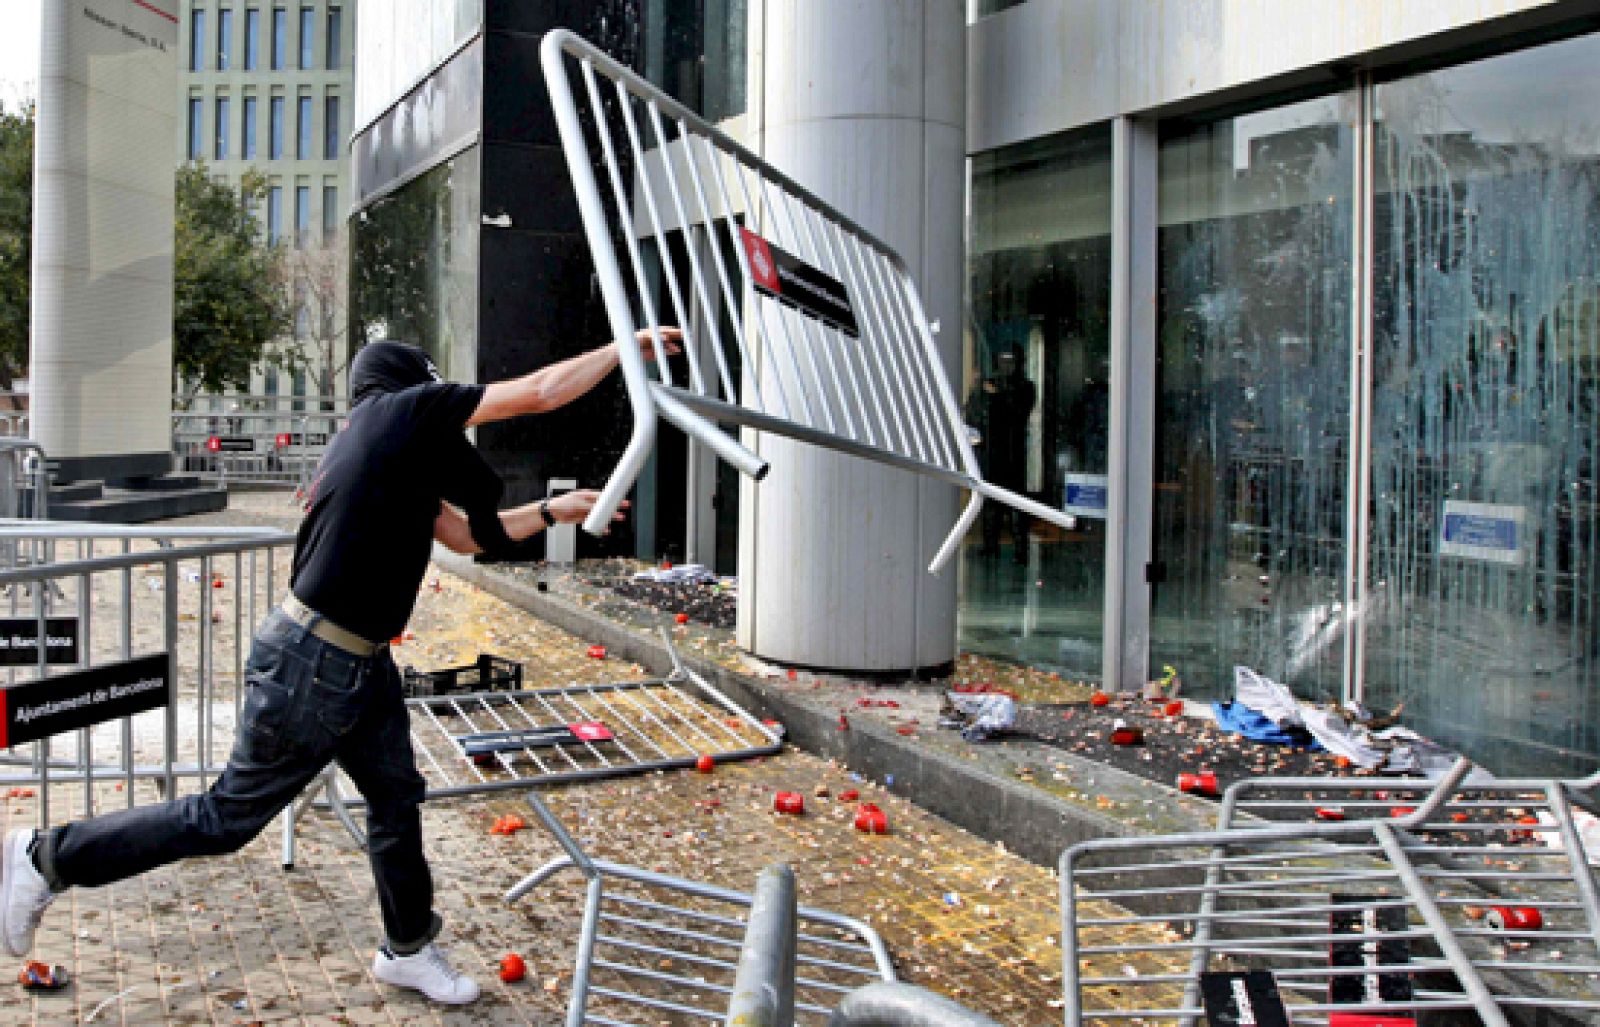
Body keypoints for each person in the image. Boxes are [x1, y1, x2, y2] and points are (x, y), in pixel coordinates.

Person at [0, 328, 680, 1005]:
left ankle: (406, 948)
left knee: (395, 800)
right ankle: (47, 856)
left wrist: (552, 510)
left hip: (360, 664)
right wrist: (622, 347)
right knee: (225, 818)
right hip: (313, 663)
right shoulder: (397, 414)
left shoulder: (391, 452)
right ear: (406, 383)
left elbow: (467, 537)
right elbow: (540, 392)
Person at [965, 346, 1037, 563]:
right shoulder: (988, 385)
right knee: (990, 502)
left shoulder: (1025, 387)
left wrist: (997, 395)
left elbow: (1018, 411)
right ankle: (990, 545)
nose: (1007, 367)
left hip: (1013, 452)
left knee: (1017, 503)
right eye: (1003, 361)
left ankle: (1021, 550)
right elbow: (973, 411)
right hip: (992, 451)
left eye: (1011, 362)